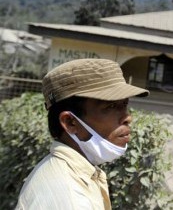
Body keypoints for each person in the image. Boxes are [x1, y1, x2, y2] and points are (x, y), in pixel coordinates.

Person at [16, 58, 149, 210]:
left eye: (125, 104)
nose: (127, 117)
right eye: (111, 106)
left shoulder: (75, 172)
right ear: (70, 122)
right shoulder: (72, 198)